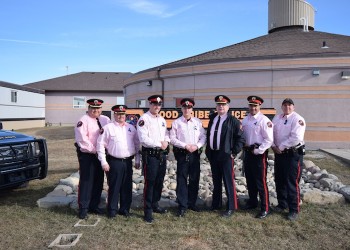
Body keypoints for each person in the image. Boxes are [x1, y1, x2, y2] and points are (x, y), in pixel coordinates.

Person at [96, 105, 140, 218]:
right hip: (114, 162)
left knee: (126, 186)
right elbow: (100, 145)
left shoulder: (131, 128)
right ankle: (112, 210)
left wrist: (137, 159)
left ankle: (125, 209)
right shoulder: (108, 128)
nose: (121, 116)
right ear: (114, 115)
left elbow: (136, 144)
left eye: (123, 114)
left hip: (128, 161)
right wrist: (103, 162)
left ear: (125, 115)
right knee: (114, 187)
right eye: (118, 114)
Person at [205, 95, 244, 218]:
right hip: (214, 154)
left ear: (228, 106)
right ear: (216, 107)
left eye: (223, 104)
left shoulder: (233, 121)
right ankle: (216, 204)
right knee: (216, 181)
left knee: (228, 181)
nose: (221, 106)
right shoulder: (213, 118)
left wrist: (233, 152)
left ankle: (231, 207)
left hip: (226, 155)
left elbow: (241, 138)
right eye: (219, 104)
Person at [170, 98, 206, 217]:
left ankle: (192, 202)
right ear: (181, 109)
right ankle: (182, 205)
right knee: (182, 179)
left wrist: (197, 146)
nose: (187, 110)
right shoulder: (177, 123)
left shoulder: (197, 122)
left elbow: (203, 137)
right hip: (182, 154)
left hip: (195, 154)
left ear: (192, 109)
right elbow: (173, 139)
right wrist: (185, 145)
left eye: (189, 108)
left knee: (194, 179)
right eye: (185, 107)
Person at [74, 98, 110, 219]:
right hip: (88, 154)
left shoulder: (105, 120)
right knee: (87, 180)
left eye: (98, 108)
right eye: (93, 108)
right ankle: (83, 208)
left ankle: (94, 205)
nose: (96, 110)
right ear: (89, 108)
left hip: (100, 154)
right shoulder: (83, 121)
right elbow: (82, 141)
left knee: (98, 180)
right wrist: (97, 150)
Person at [137, 95, 170, 223]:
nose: (157, 107)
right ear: (149, 105)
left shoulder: (162, 119)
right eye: (154, 104)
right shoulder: (144, 119)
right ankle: (148, 210)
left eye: (159, 104)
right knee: (150, 183)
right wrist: (159, 144)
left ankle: (155, 204)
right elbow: (143, 139)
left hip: (161, 155)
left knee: (159, 181)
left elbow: (166, 133)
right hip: (150, 155)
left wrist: (166, 141)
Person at [271, 98, 306, 221]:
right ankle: (282, 204)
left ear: (293, 107)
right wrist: (274, 146)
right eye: (285, 105)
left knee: (291, 182)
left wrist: (280, 147)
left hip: (292, 154)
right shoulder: (277, 118)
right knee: (279, 180)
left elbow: (296, 138)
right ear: (282, 107)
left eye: (289, 105)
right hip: (279, 154)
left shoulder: (298, 119)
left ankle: (293, 209)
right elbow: (272, 133)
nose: (287, 107)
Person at [241, 96, 273, 219]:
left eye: (255, 106)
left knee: (261, 182)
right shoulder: (245, 120)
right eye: (251, 105)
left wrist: (258, 151)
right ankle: (253, 202)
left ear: (259, 106)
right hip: (248, 153)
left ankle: (265, 208)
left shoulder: (264, 120)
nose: (253, 108)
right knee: (250, 179)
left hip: (258, 154)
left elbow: (269, 139)